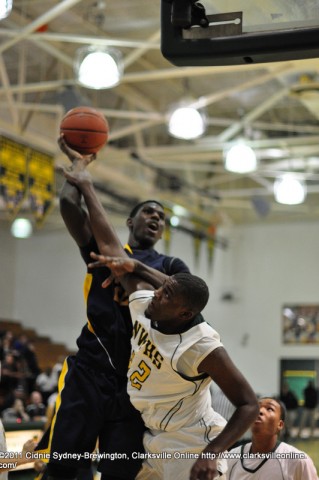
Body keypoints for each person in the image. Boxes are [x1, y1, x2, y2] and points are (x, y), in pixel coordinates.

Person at [62, 160, 259, 480]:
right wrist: (85, 183)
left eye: (165, 293)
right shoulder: (145, 305)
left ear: (183, 313)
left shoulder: (202, 344)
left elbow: (249, 403)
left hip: (192, 444)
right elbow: (112, 247)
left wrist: (212, 454)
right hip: (152, 437)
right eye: (159, 288)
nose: (155, 294)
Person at [35, 137, 191, 480]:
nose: (156, 218)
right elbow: (70, 207)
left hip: (137, 382)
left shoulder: (169, 265)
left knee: (121, 471)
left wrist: (134, 269)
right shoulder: (104, 252)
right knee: (63, 466)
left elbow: (186, 295)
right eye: (148, 212)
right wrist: (78, 169)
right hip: (90, 370)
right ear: (130, 222)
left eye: (161, 217)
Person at [226, 397, 318, 479]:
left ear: (280, 424)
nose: (260, 411)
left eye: (269, 409)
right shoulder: (232, 456)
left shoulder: (297, 461)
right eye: (257, 407)